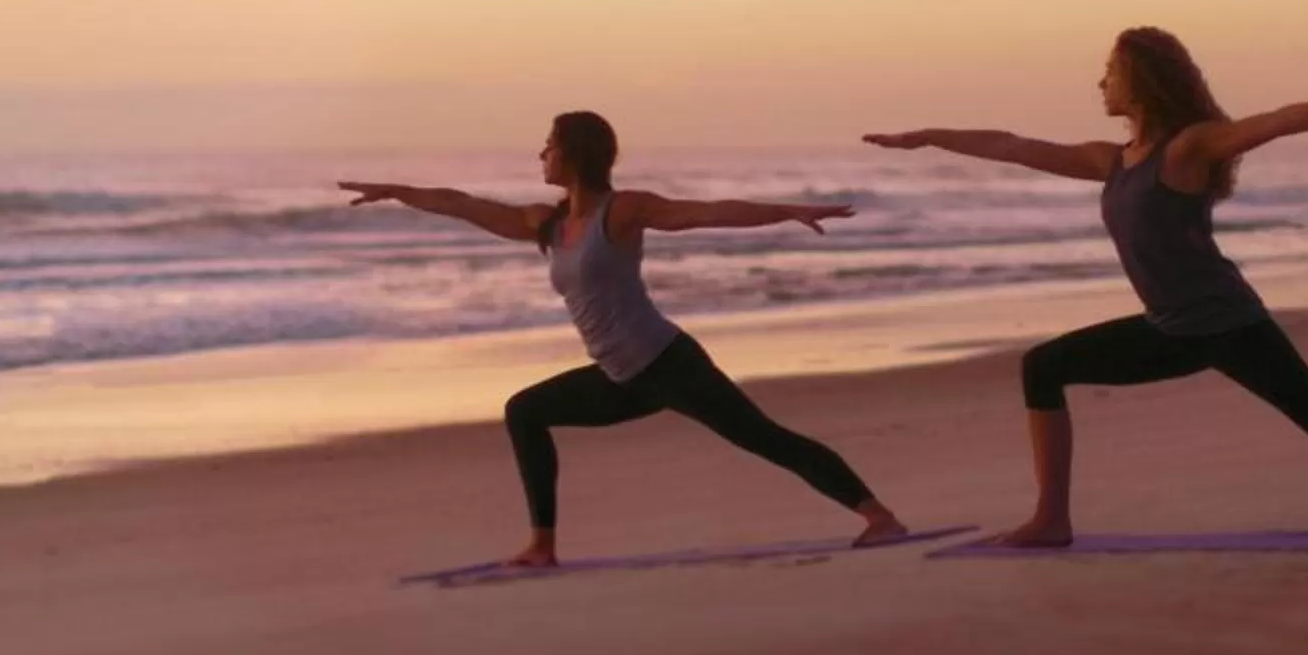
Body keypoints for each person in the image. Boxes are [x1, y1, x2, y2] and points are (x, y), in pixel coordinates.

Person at [867, 27, 1308, 554]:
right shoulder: (1111, 160)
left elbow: (1272, 123)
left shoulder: (1187, 149)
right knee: (1044, 366)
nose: (1100, 84)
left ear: (1139, 80)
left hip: (1228, 326)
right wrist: (927, 137)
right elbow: (1012, 145)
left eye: (1109, 73)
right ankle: (1051, 519)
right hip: (1169, 328)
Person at [340, 110, 910, 566]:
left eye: (549, 144)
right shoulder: (547, 222)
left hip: (666, 362)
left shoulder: (623, 210)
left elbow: (702, 213)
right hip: (619, 376)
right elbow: (463, 205)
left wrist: (784, 210)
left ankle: (879, 516)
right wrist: (398, 190)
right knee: (525, 411)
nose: (541, 153)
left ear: (575, 152)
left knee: (762, 438)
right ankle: (542, 546)